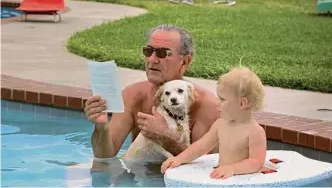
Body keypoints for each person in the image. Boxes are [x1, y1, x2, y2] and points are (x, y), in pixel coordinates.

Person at [84, 24, 220, 160]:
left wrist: (167, 138)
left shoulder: (206, 105)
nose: (152, 59)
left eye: (162, 53)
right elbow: (104, 155)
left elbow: (205, 169)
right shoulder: (132, 95)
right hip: (136, 177)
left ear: (185, 62)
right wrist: (101, 128)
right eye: (148, 51)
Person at [161, 66, 269, 180]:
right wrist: (179, 159)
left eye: (222, 99)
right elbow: (201, 146)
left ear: (242, 103)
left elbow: (256, 162)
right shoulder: (220, 124)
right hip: (223, 178)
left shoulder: (255, 132)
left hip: (244, 181)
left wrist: (233, 169)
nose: (217, 103)